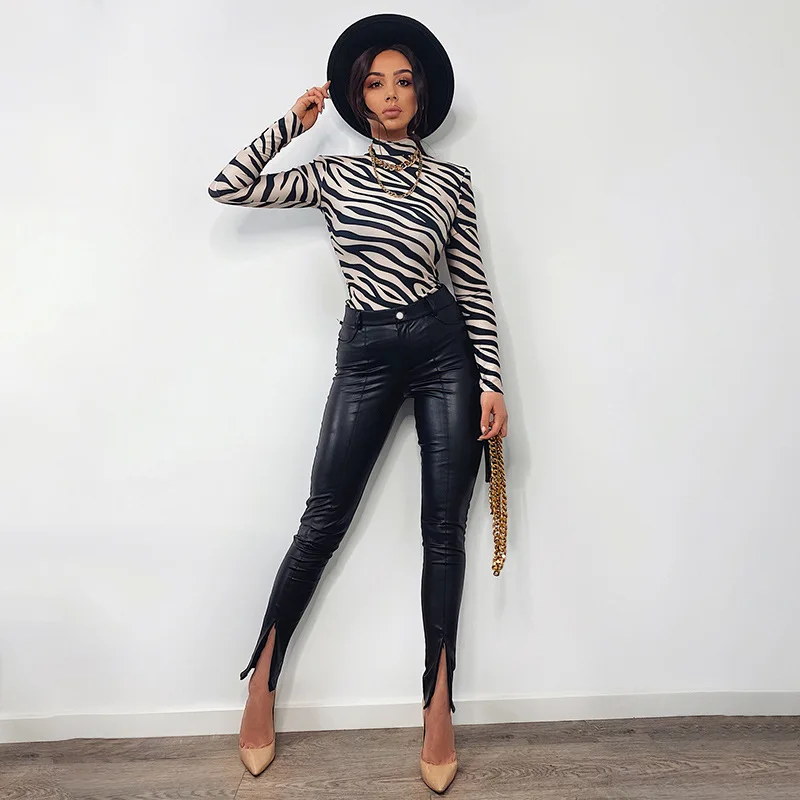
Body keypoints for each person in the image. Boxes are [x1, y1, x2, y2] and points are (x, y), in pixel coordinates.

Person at [207, 13, 508, 794]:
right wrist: (292, 123)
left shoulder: (453, 182)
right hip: (368, 351)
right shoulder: (334, 174)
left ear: (422, 94)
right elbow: (229, 185)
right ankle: (261, 682)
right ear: (358, 96)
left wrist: (493, 380)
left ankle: (438, 706)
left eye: (403, 81)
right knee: (322, 521)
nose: (391, 94)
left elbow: (472, 285)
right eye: (376, 83)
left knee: (443, 533)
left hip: (445, 350)